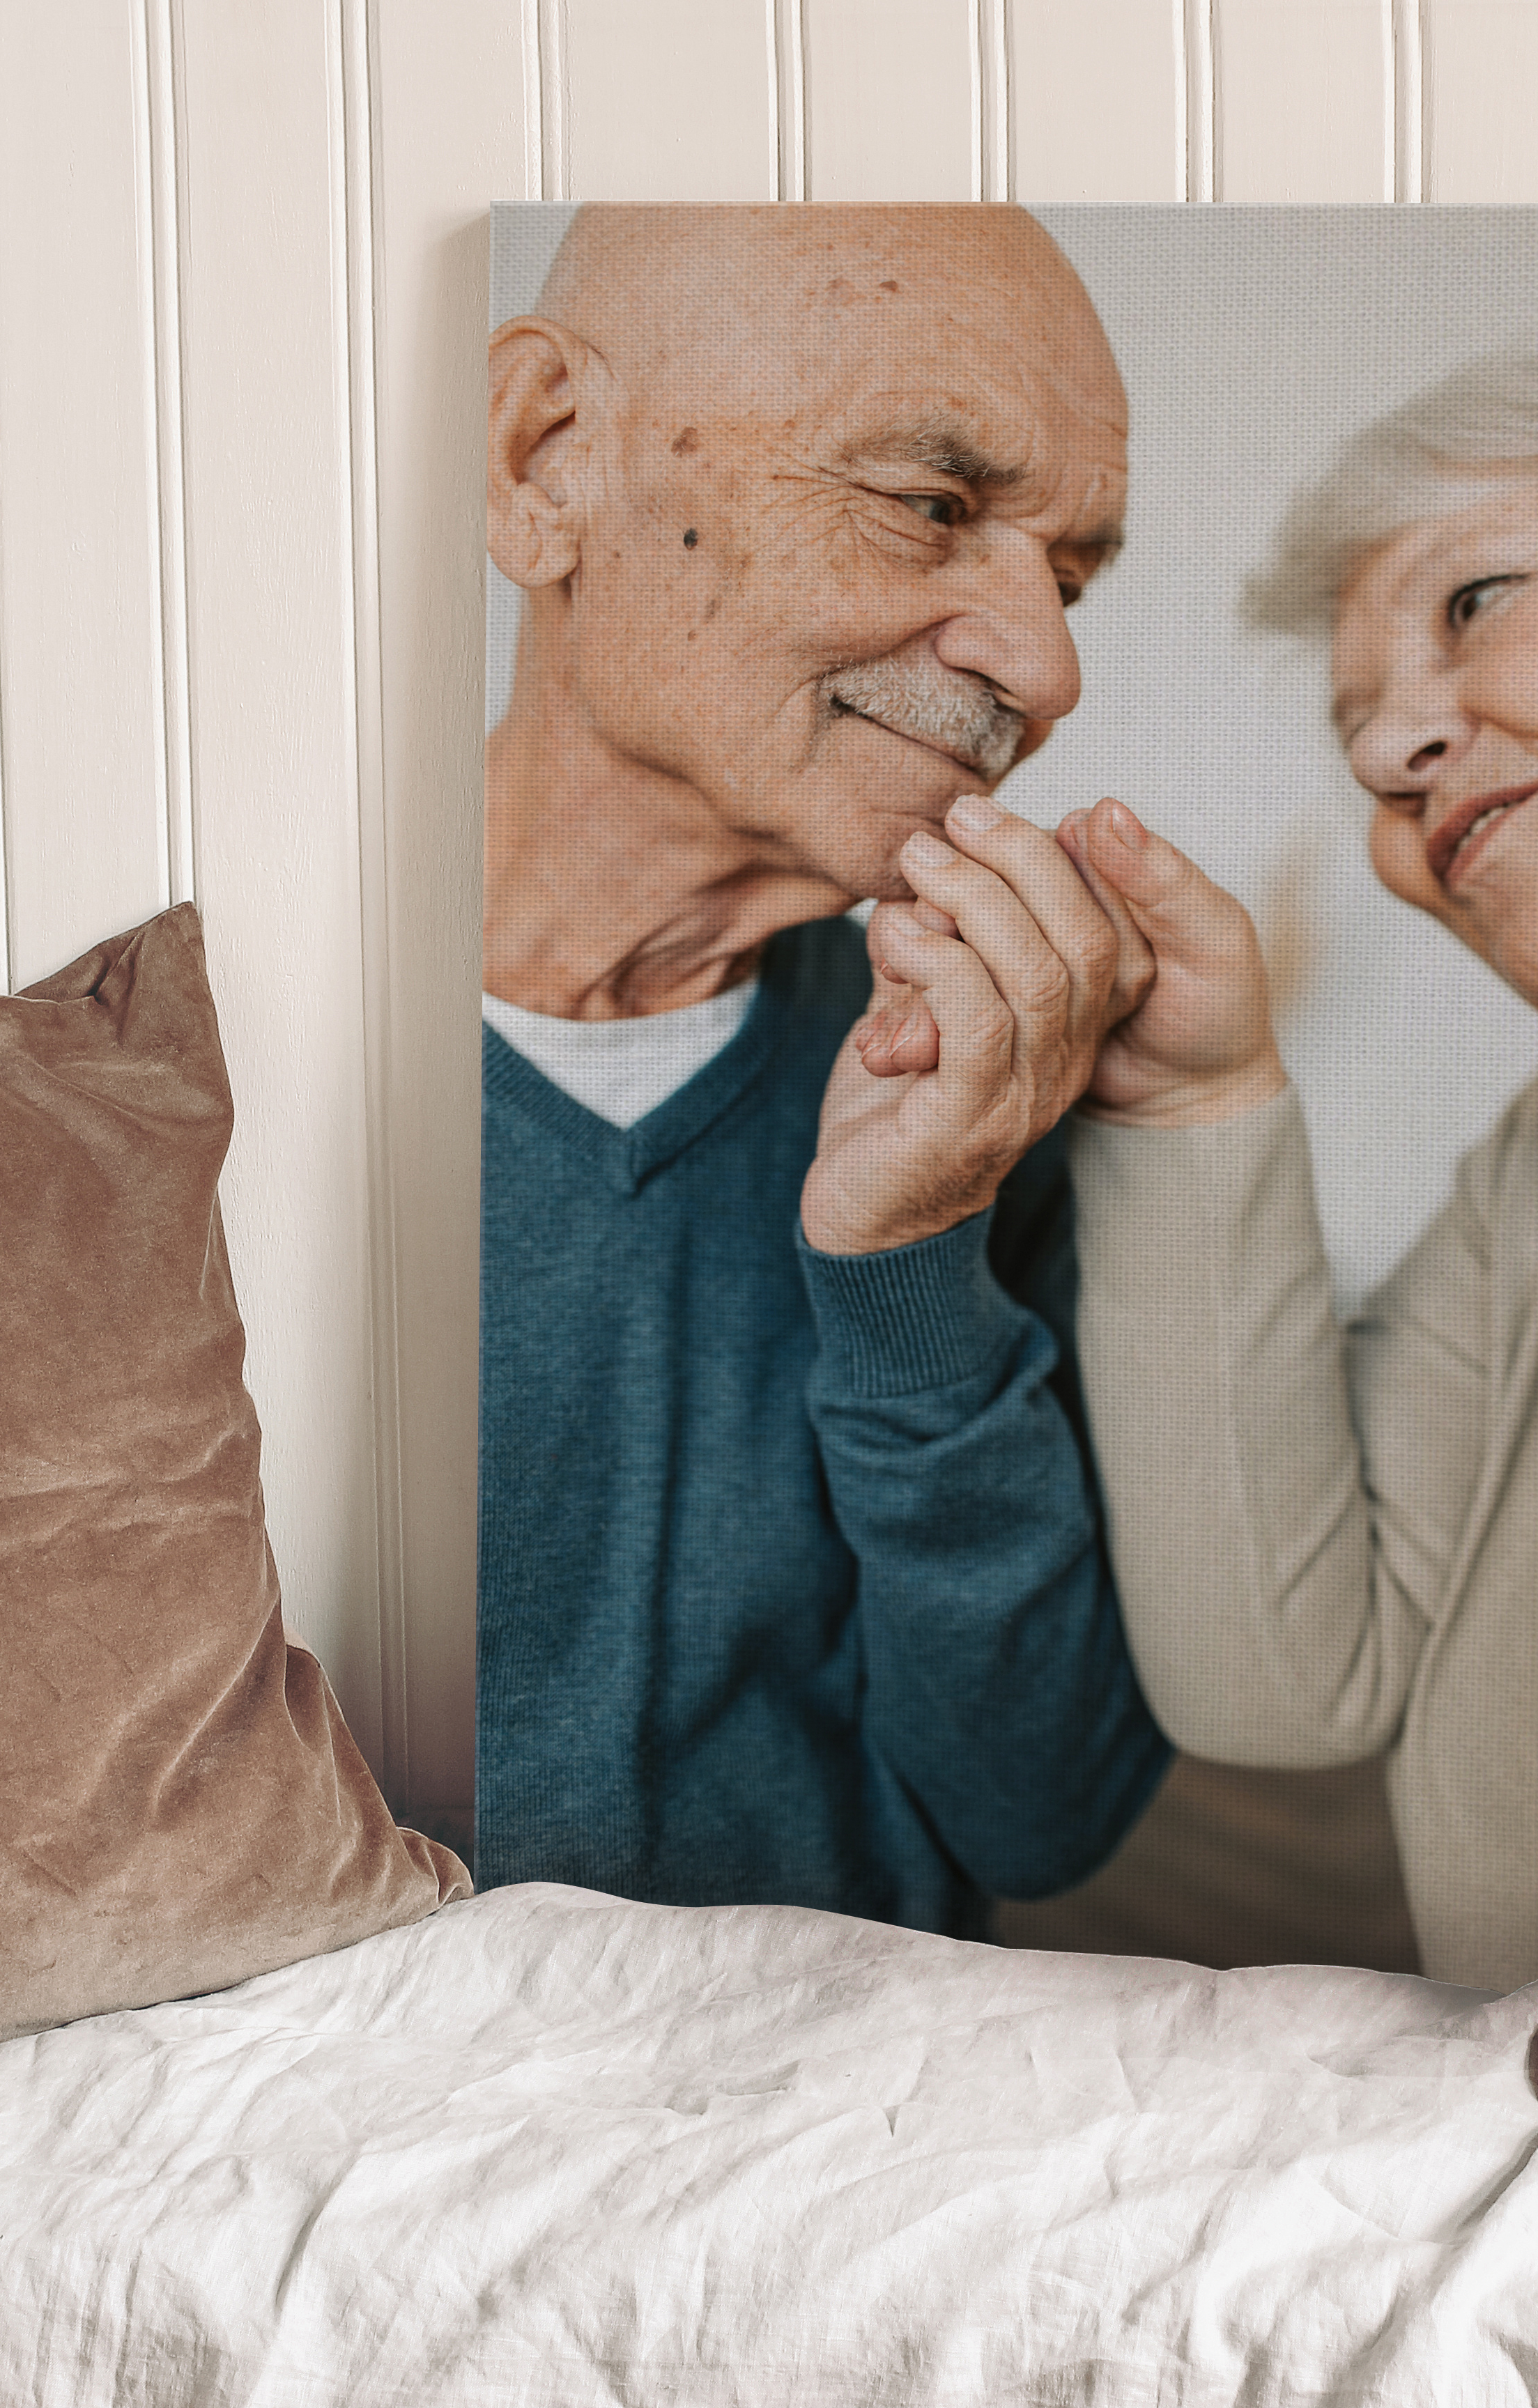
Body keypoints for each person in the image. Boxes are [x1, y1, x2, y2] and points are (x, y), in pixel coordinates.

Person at [1030, 330, 1538, 1988]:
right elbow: (1281, 1682)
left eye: (1475, 600)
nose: (1385, 760)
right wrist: (1190, 1108)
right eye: (1359, 733)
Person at [474, 203, 1172, 1934]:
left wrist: (914, 1260)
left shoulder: (976, 1080)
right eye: (932, 506)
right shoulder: (180, 1062)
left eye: (1068, 580)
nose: (1050, 666)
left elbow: (1044, 1817)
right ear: (549, 460)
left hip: (844, 2113)